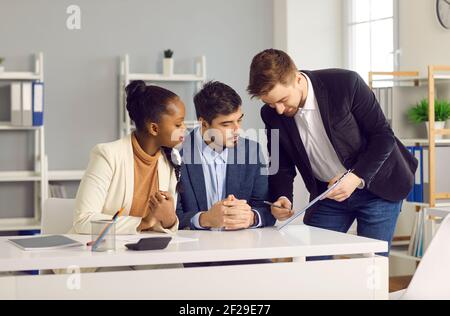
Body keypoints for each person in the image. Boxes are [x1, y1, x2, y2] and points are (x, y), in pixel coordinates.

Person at [247, 49, 418, 254]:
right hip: (327, 194)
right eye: (270, 103)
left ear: (297, 79)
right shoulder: (271, 114)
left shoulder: (346, 84)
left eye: (283, 100)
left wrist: (356, 177)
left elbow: (383, 136)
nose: (279, 110)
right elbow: (281, 162)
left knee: (371, 265)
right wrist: (282, 195)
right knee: (312, 260)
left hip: (377, 187)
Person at [72, 80, 186, 234]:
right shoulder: (107, 155)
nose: (184, 129)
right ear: (154, 128)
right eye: (178, 125)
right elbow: (83, 220)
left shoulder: (172, 160)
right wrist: (143, 222)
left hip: (147, 253)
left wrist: (170, 218)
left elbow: (166, 224)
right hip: (101, 251)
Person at [176, 81, 275, 231]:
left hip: (241, 246)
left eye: (239, 120)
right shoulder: (176, 153)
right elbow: (170, 216)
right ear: (203, 124)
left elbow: (266, 207)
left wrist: (251, 217)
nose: (237, 130)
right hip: (193, 248)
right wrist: (204, 219)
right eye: (226, 124)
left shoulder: (251, 150)